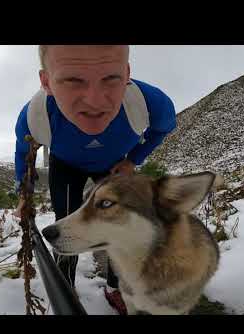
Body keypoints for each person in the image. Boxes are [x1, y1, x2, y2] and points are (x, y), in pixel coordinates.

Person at [12, 45, 176, 315]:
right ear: (46, 83)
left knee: (118, 224)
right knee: (66, 223)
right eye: (73, 80)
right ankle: (65, 287)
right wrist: (23, 194)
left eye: (111, 79)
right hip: (65, 166)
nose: (95, 101)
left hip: (113, 168)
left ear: (126, 74)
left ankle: (115, 287)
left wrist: (132, 160)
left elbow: (162, 129)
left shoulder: (150, 104)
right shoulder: (35, 116)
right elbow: (23, 155)